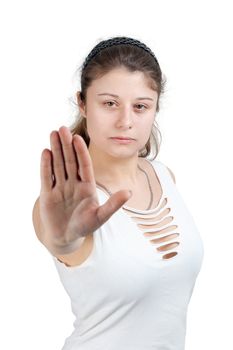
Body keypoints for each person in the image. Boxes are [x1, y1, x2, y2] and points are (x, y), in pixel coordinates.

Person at [32, 36, 204, 350]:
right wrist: (62, 239)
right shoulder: (63, 206)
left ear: (155, 109)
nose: (125, 121)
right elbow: (62, 240)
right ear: (83, 103)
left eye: (140, 106)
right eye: (109, 103)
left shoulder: (165, 176)